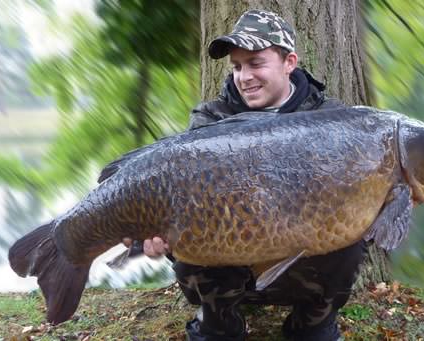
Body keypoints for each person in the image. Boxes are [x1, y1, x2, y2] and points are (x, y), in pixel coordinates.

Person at [123, 9, 367, 341]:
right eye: (237, 67)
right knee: (188, 231)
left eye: (255, 63)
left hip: (300, 261)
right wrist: (152, 234)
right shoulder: (211, 119)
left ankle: (313, 323)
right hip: (230, 259)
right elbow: (177, 192)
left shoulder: (331, 119)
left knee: (351, 234)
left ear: (289, 62)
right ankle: (220, 322)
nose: (244, 76)